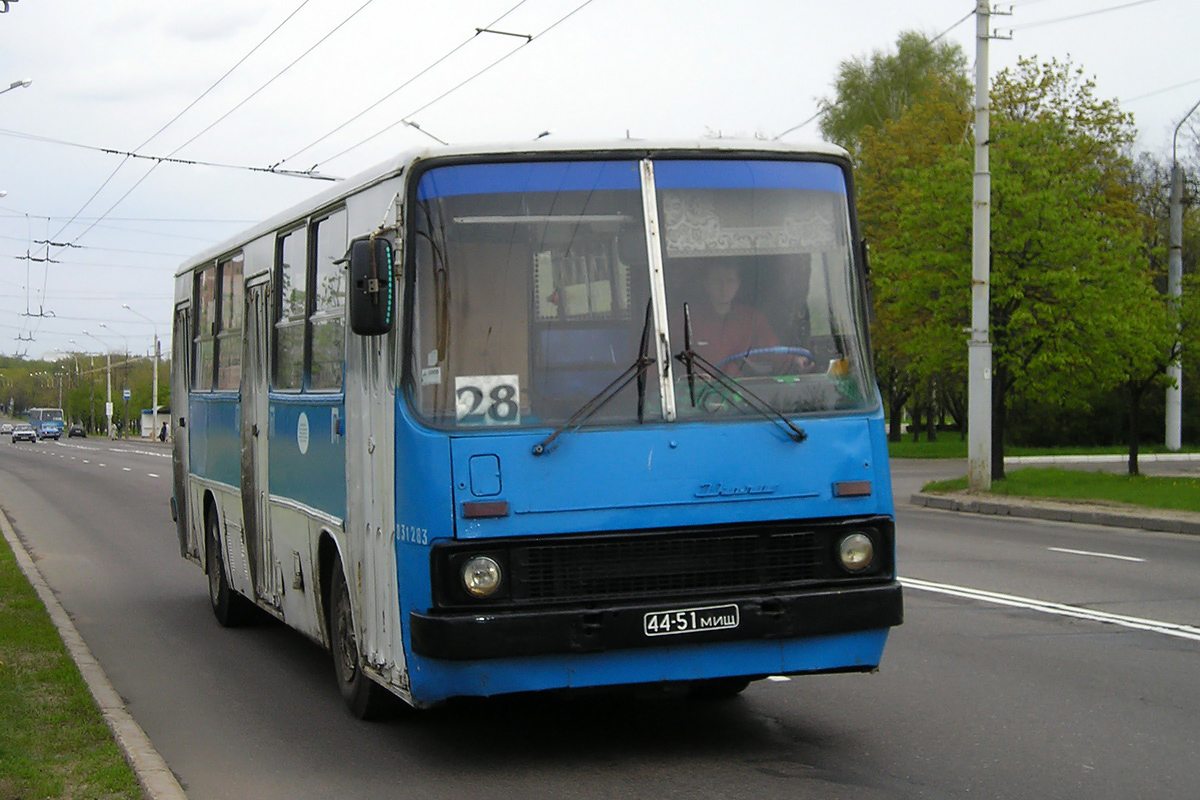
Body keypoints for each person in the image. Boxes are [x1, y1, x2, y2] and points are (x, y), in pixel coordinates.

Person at [682, 262, 812, 375]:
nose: (724, 287)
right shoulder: (685, 319)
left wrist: (794, 361)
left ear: (738, 284)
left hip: (746, 394)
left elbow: (773, 352)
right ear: (706, 283)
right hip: (701, 394)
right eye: (717, 281)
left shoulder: (752, 318)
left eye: (730, 281)